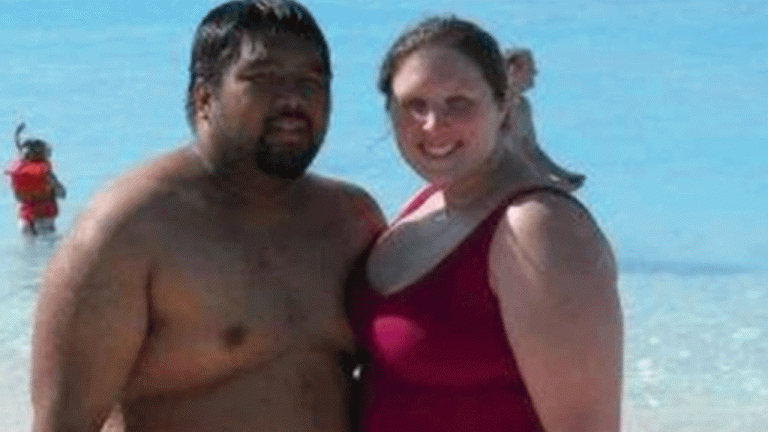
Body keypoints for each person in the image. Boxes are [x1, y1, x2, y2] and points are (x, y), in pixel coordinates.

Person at [30, 1, 385, 431]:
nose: (293, 99)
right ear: (204, 98)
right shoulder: (132, 228)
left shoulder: (352, 220)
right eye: (263, 78)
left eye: (312, 81)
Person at [349, 16, 623, 432]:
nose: (433, 124)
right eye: (414, 104)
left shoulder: (540, 228)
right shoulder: (423, 203)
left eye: (458, 102)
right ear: (389, 111)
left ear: (502, 107)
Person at [504, 47, 585, 191]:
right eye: (530, 69)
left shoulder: (522, 105)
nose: (535, 74)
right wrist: (548, 181)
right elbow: (518, 148)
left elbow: (532, 149)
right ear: (514, 69)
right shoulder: (495, 103)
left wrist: (563, 175)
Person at [5, 122, 66, 235]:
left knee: (30, 245)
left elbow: (18, 196)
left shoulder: (18, 172)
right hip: (44, 217)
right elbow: (62, 193)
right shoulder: (45, 172)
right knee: (49, 244)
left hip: (25, 220)